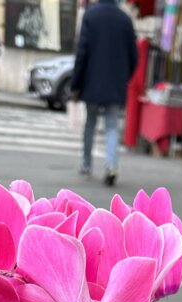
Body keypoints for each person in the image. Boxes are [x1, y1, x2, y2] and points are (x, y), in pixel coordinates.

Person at [71, 0, 137, 185]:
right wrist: (124, 77)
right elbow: (134, 55)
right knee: (112, 126)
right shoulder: (125, 20)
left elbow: (81, 52)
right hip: (115, 83)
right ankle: (111, 165)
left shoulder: (91, 16)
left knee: (90, 123)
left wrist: (76, 83)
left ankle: (86, 163)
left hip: (92, 81)